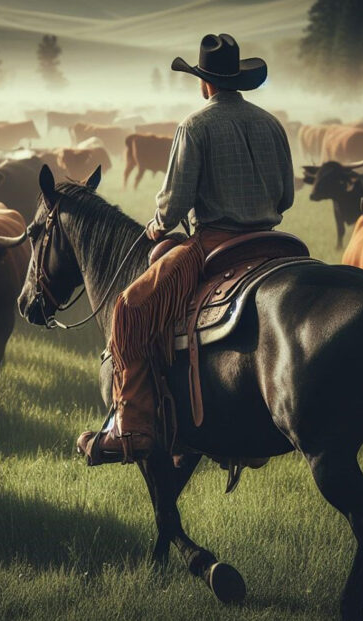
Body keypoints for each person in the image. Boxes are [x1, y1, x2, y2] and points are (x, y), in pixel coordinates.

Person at [77, 33, 295, 465]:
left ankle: (132, 427)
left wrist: (158, 226)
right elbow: (286, 197)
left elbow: (173, 204)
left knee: (129, 309)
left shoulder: (195, 126)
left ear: (204, 82)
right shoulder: (271, 124)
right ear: (237, 80)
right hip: (275, 243)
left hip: (216, 243)